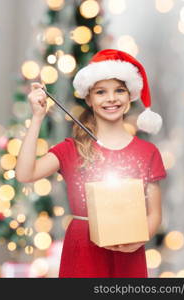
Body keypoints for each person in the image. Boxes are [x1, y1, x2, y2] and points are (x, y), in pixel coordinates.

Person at [15, 49, 167, 278]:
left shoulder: (148, 152)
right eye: (101, 92)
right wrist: (37, 118)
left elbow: (154, 213)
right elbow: (25, 174)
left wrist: (139, 239)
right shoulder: (71, 149)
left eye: (119, 91)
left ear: (130, 97)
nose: (111, 98)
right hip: (82, 253)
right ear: (89, 99)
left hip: (129, 253)